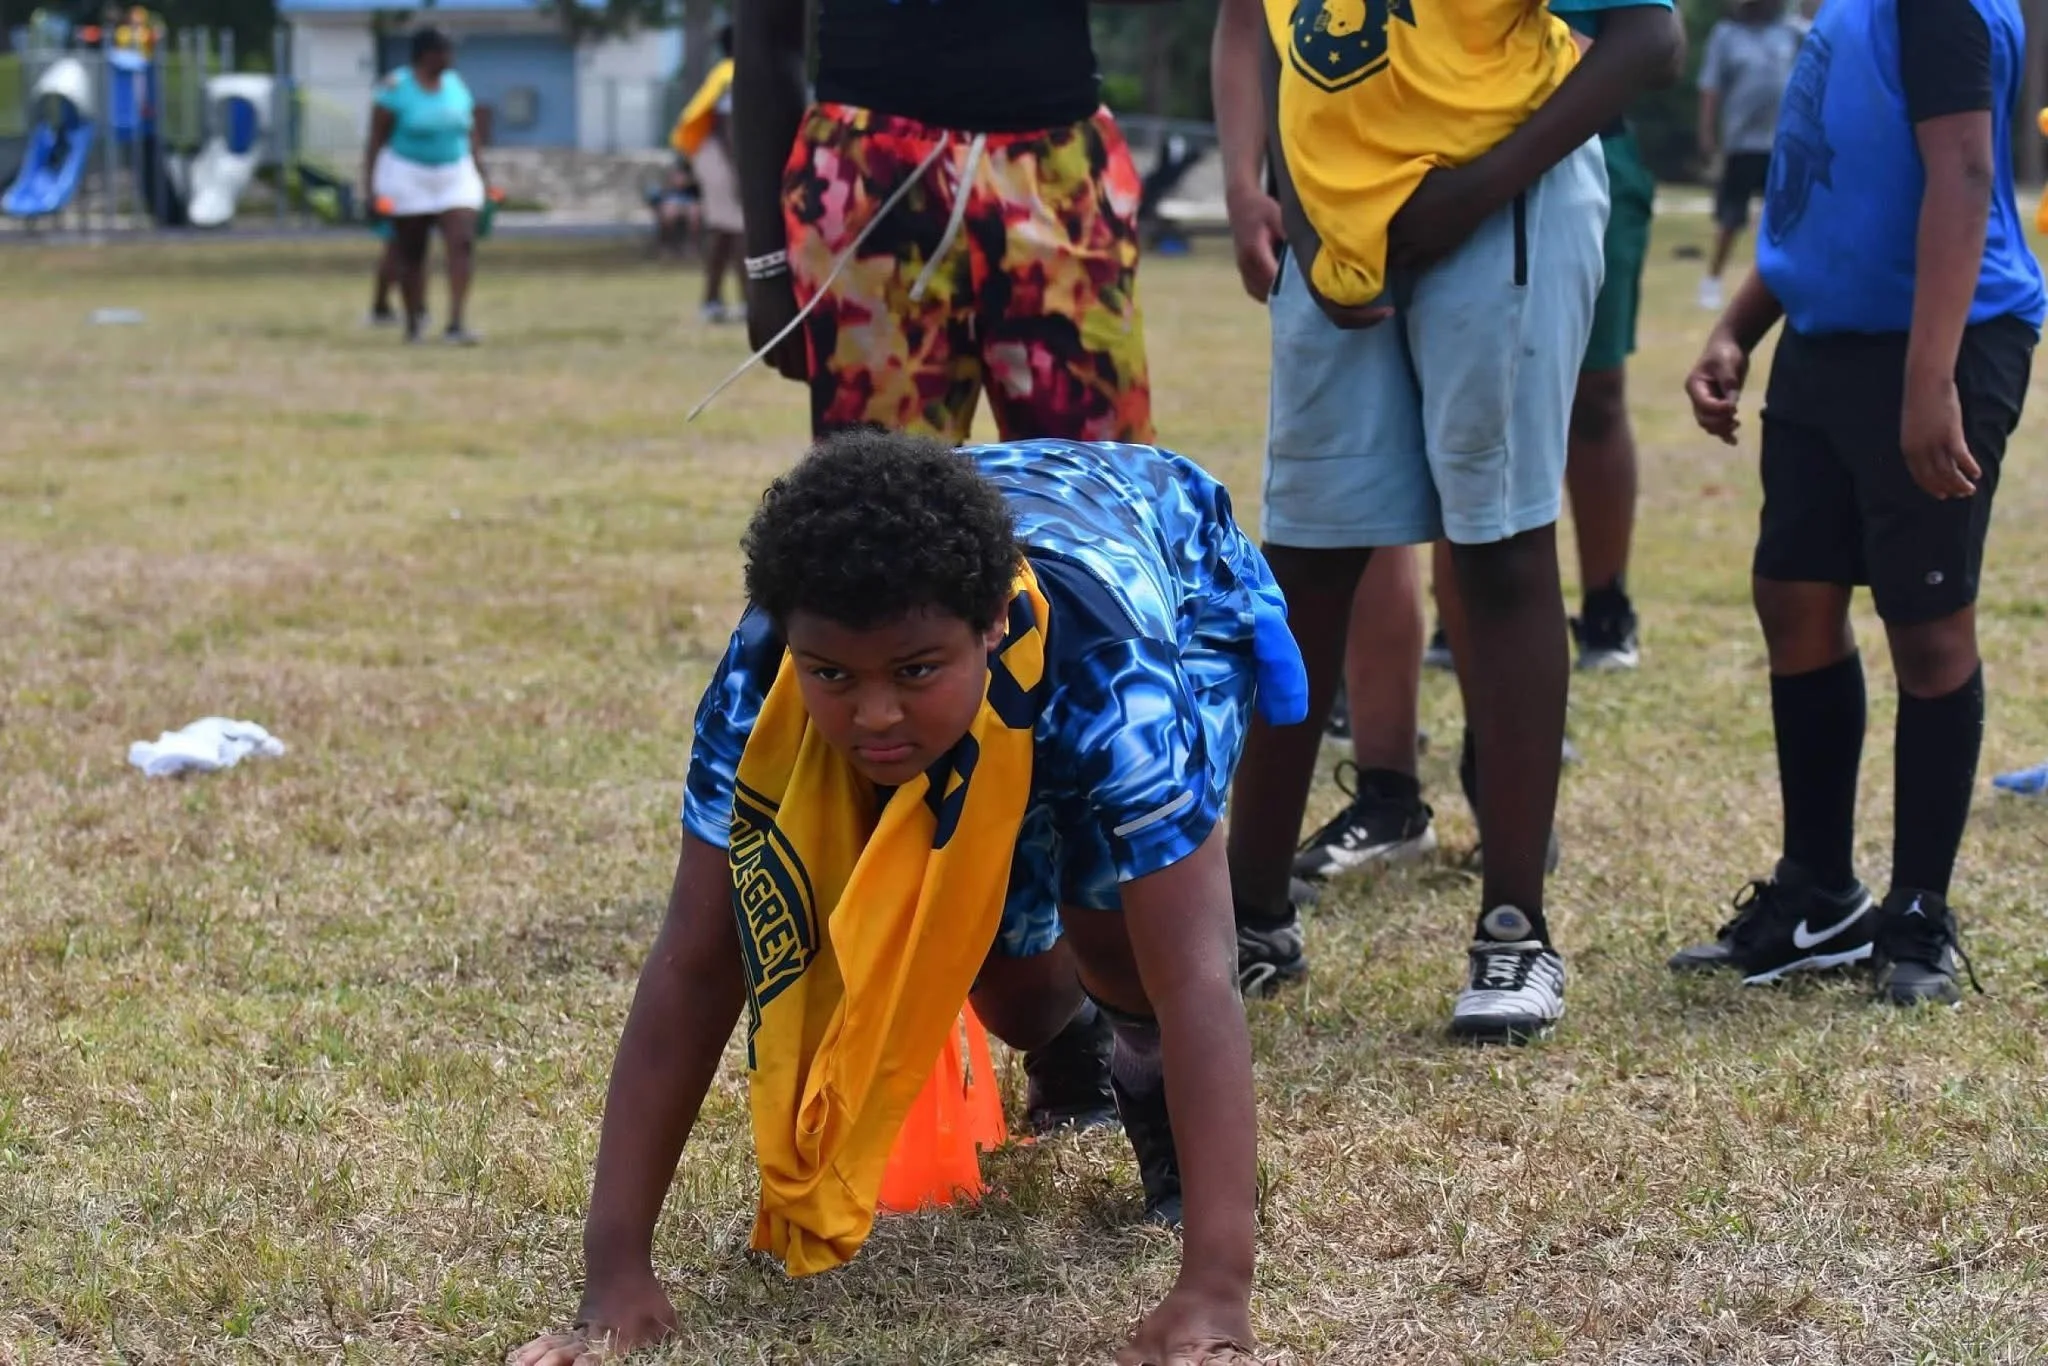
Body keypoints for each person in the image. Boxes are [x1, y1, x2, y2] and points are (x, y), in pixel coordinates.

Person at [511, 433, 1308, 1366]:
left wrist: (1215, 1291)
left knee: (1119, 939)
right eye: (835, 677)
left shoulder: (1118, 687)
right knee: (1006, 986)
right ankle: (1070, 1048)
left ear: (991, 628)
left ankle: (1136, 1065)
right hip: (995, 606)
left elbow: (1198, 980)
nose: (875, 715)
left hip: (1165, 559)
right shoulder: (764, 670)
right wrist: (615, 1276)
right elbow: (697, 959)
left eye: (914, 671)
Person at [1213, 0, 1682, 1041]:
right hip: (1338, 226)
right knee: (1301, 566)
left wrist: (1469, 193)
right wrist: (1256, 185)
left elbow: (1650, 36)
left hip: (1499, 202)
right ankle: (1248, 918)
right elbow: (1243, 18)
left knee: (1499, 553)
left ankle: (1513, 929)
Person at [1674, 0, 2040, 1005]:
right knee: (1790, 598)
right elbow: (1819, 199)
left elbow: (1963, 175)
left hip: (1939, 343)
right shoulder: (1841, 11)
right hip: (1826, 341)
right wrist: (1738, 327)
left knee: (1925, 629)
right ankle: (1816, 894)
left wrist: (1929, 380)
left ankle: (1916, 910)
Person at [732, 0, 1153, 443]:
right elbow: (767, 34)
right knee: (881, 495)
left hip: (1058, 175)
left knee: (1096, 486)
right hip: (873, 189)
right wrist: (767, 266)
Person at [362, 27, 487, 345]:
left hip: (454, 172)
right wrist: (371, 186)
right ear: (425, 55)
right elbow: (377, 139)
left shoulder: (456, 85)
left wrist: (482, 173)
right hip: (409, 174)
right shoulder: (396, 87)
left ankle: (456, 323)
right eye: (444, 52)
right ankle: (414, 322)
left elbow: (470, 132)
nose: (450, 58)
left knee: (462, 241)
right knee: (412, 251)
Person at [1696, 0, 1805, 311]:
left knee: (1784, 219)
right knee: (1731, 218)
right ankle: (1712, 281)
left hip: (1782, 143)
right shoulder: (1727, 34)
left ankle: (1783, 285)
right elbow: (1710, 87)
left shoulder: (1792, 32)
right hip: (1742, 143)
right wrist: (1707, 133)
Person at [671, 25, 743, 323]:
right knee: (741, 228)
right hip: (718, 153)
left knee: (724, 229)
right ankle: (748, 301)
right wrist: (738, 169)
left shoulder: (726, 70)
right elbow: (726, 125)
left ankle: (713, 302)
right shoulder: (733, 74)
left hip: (709, 153)